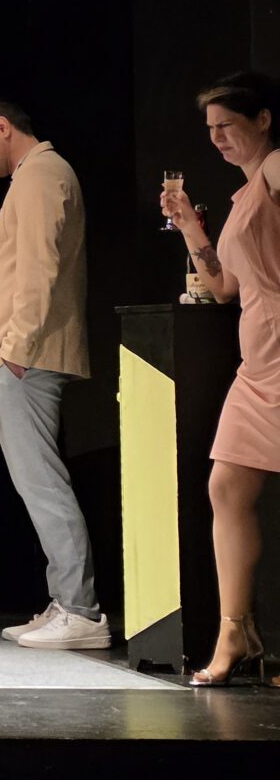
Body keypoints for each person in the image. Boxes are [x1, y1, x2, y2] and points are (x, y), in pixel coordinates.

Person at [0, 98, 107, 649]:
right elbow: (27, 263)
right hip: (20, 354)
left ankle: (81, 610)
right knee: (36, 483)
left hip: (26, 356)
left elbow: (43, 267)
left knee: (42, 483)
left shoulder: (42, 173)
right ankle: (66, 599)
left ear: (2, 127)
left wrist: (15, 348)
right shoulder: (32, 176)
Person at [159, 70, 280, 687]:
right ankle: (237, 630)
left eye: (226, 125)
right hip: (258, 364)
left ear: (263, 119)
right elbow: (224, 287)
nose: (216, 138)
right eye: (209, 129)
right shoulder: (246, 194)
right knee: (226, 488)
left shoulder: (277, 169)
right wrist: (188, 224)